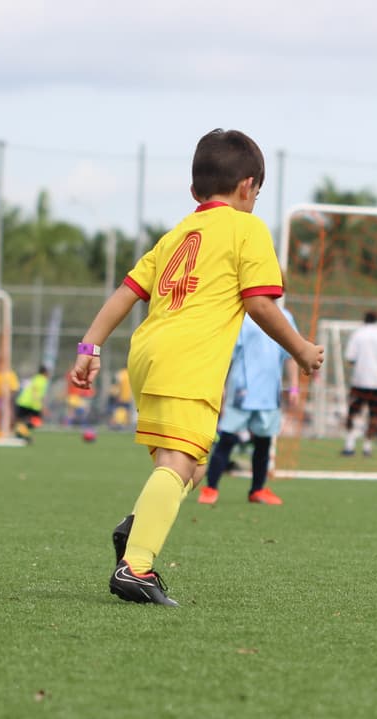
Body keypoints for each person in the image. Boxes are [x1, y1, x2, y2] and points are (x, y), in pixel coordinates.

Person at [69, 128, 323, 607]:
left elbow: (127, 292)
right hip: (188, 361)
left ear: (194, 192)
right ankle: (136, 567)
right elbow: (262, 305)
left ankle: (136, 527)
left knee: (190, 464)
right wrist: (301, 349)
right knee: (179, 463)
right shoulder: (248, 229)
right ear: (248, 187)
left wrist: (89, 348)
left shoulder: (178, 233)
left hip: (147, 355)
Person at [199, 309, 300, 506]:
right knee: (227, 438)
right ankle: (210, 488)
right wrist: (220, 384)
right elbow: (226, 353)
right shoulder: (243, 316)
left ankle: (257, 490)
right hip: (241, 390)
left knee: (264, 442)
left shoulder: (286, 317)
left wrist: (294, 386)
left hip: (270, 393)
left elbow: (291, 353)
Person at [341, 310, 377, 457]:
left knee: (353, 413)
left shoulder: (358, 334)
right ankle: (367, 447)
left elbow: (350, 357)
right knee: (375, 415)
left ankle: (349, 445)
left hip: (359, 381)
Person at [14, 365, 51, 441]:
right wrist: (42, 406)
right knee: (37, 422)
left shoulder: (36, 378)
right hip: (30, 404)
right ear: (45, 373)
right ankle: (21, 432)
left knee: (22, 421)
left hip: (22, 401)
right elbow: (35, 391)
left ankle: (21, 432)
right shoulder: (42, 380)